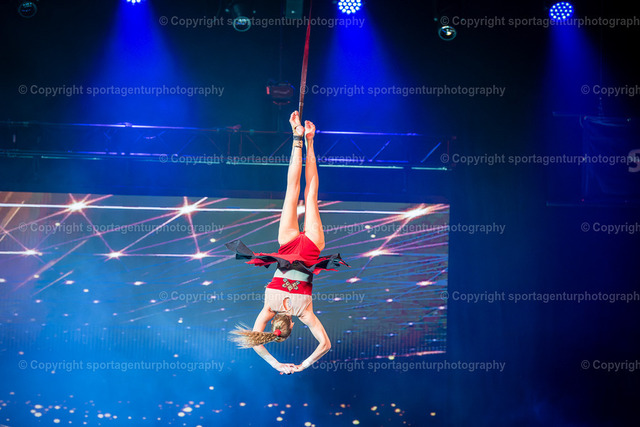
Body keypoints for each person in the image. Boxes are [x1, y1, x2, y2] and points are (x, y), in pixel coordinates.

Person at [226, 111, 348, 375]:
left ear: (292, 326)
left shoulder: (305, 314)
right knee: (291, 192)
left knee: (311, 195)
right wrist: (275, 363)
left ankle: (310, 140)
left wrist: (302, 365)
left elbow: (325, 345)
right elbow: (257, 343)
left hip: (311, 248)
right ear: (275, 325)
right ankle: (296, 137)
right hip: (287, 246)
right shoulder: (268, 308)